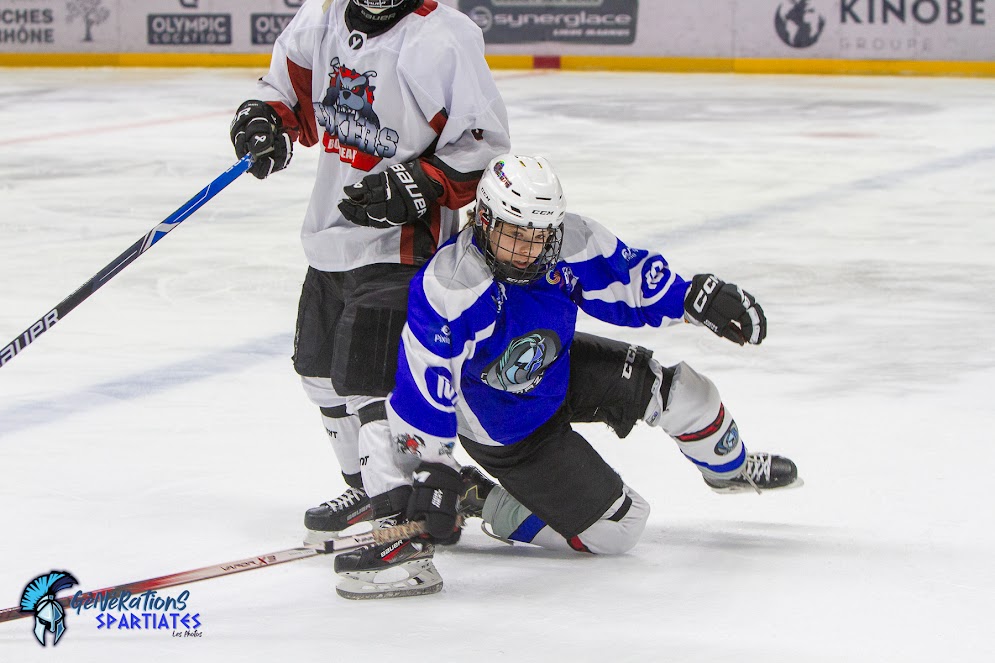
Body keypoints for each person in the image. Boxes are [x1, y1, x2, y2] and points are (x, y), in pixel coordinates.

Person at [334, 154, 801, 598]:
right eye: (513, 235)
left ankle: (730, 468)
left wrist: (693, 298)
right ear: (483, 220)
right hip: (508, 430)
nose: (527, 250)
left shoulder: (569, 242)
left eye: (538, 236)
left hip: (558, 368)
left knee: (686, 391)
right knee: (620, 529)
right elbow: (425, 387)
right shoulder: (451, 287)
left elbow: (629, 280)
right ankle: (485, 499)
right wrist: (434, 468)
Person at [228, 0, 510, 543]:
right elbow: (286, 94)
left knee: (368, 379)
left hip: (401, 245)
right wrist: (265, 119)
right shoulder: (321, 17)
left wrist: (419, 183)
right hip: (329, 237)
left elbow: (483, 146)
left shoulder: (444, 37)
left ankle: (400, 519)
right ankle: (366, 489)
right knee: (318, 375)